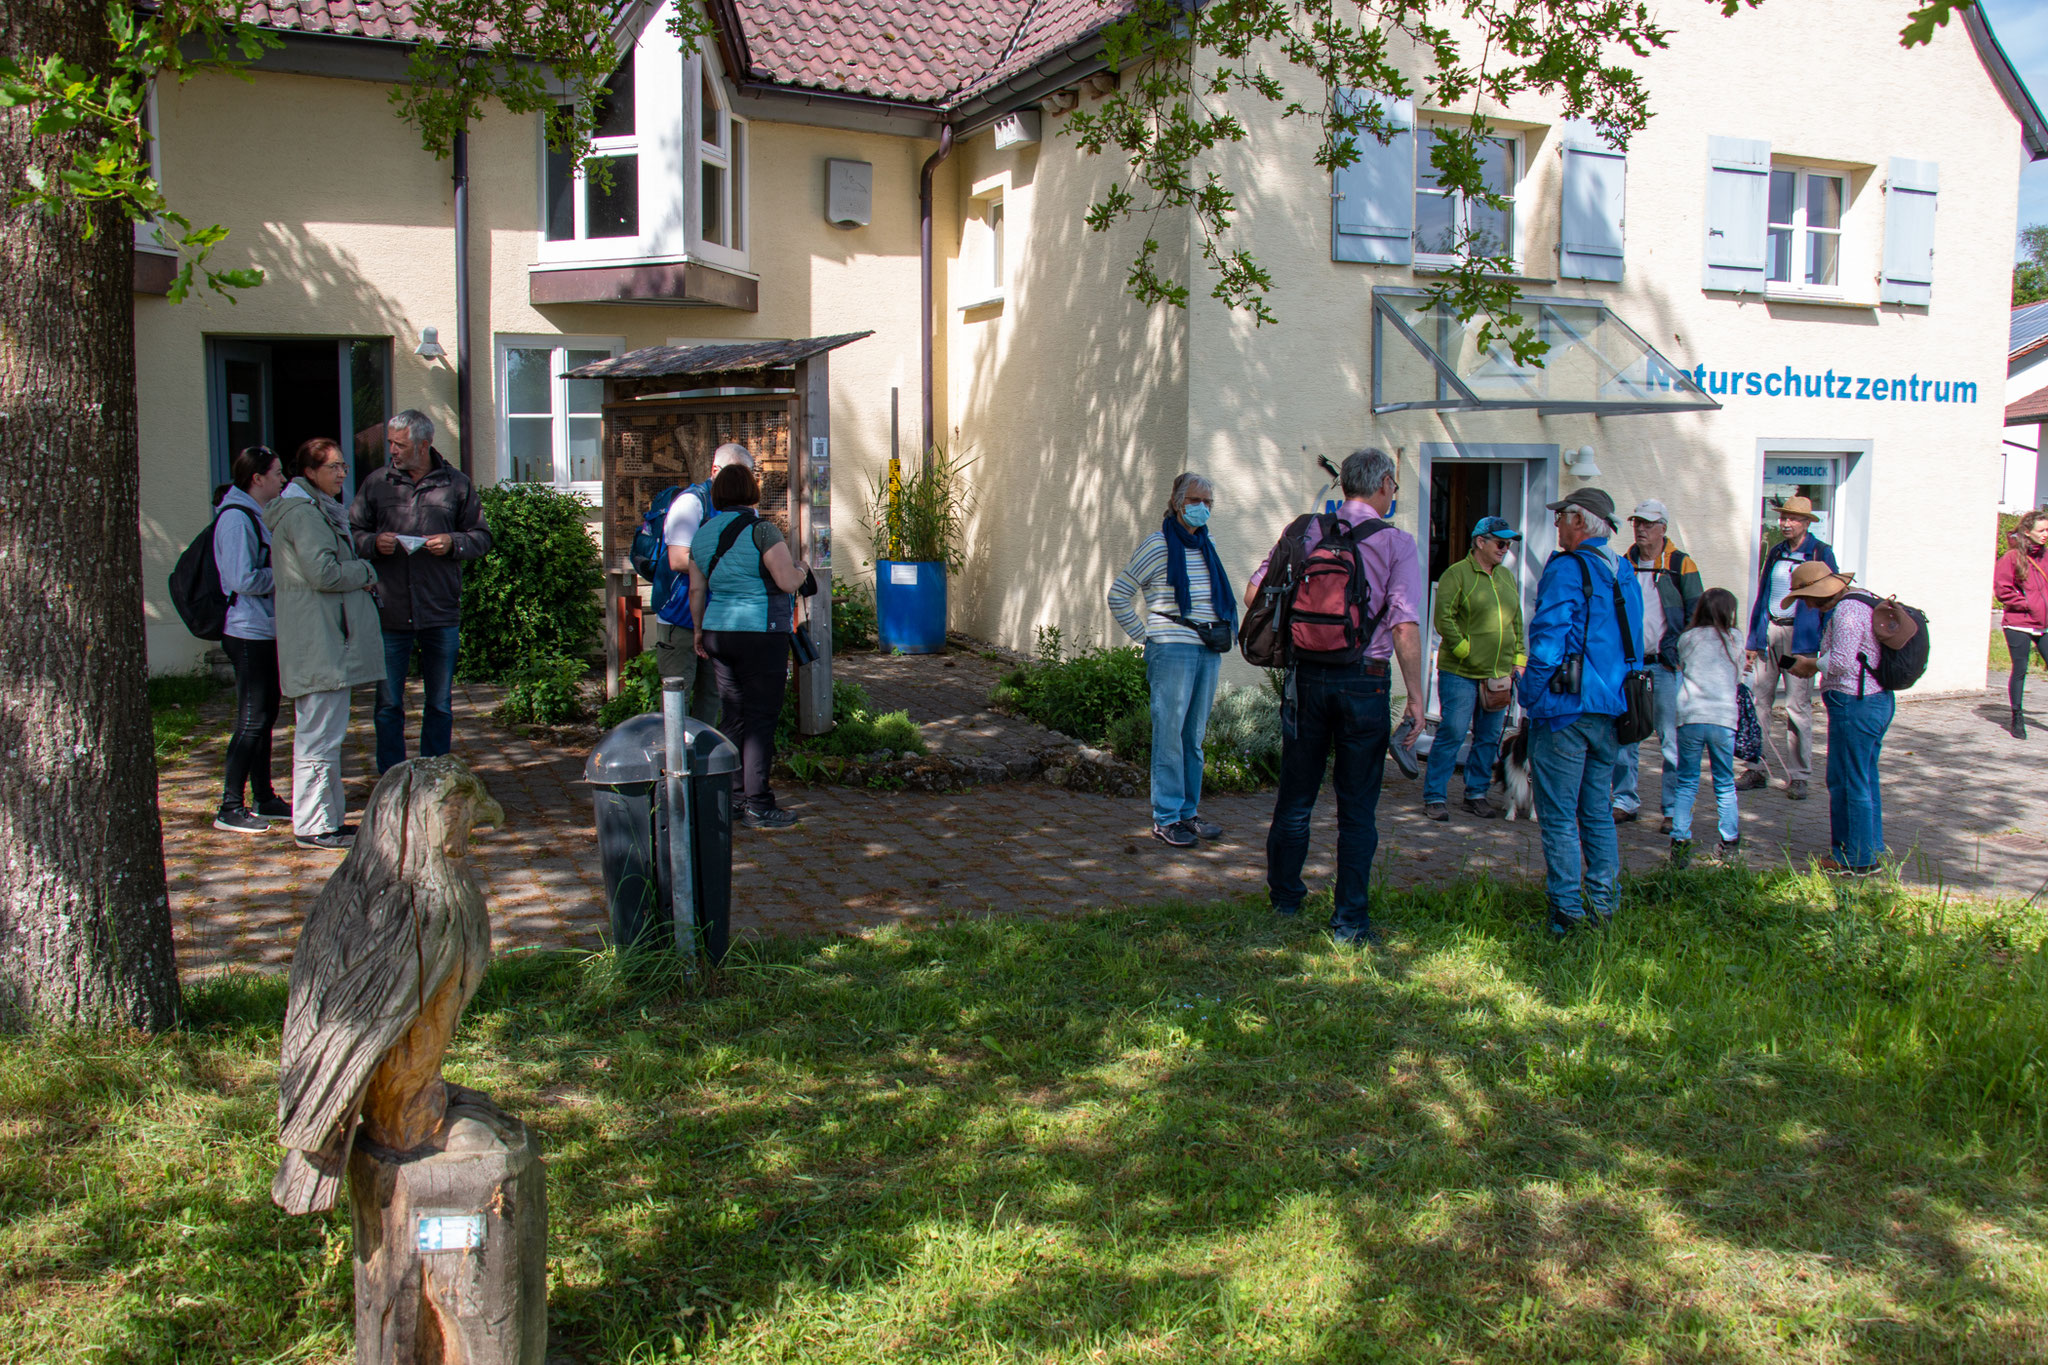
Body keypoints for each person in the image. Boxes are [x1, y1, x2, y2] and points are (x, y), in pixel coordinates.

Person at [1247, 447, 1423, 947]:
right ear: (1385, 484)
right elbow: (1404, 624)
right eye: (1394, 485)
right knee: (1357, 807)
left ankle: (1284, 899)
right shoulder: (1396, 542)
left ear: (1344, 484)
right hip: (1364, 682)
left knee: (1296, 796)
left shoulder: (1304, 531)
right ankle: (1349, 922)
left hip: (1306, 680)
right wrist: (1415, 696)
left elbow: (1254, 593)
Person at [1518, 488, 1643, 937]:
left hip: (1565, 710)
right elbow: (1634, 642)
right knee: (1595, 811)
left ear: (1579, 521)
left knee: (1557, 815)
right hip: (1611, 709)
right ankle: (1604, 906)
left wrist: (1528, 694)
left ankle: (1566, 912)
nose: (1555, 526)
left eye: (1560, 518)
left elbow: (1549, 639)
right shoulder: (1622, 569)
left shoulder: (1569, 567)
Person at [349, 409, 492, 775]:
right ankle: (390, 778)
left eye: (400, 444)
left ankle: (434, 776)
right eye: (390, 444)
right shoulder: (377, 483)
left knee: (440, 703)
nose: (392, 451)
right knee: (387, 704)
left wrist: (453, 543)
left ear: (424, 445)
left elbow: (482, 537)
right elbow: (351, 533)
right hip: (389, 608)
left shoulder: (456, 484)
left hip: (440, 609)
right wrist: (371, 543)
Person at [1107, 472, 1235, 848]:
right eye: (1197, 501)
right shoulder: (1158, 544)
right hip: (1172, 650)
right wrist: (1146, 637)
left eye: (1209, 502)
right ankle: (1165, 818)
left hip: (1207, 649)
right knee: (1169, 738)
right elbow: (1119, 594)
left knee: (1193, 738)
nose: (1203, 508)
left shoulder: (1206, 545)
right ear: (1178, 502)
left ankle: (1188, 813)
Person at [268, 438, 384, 851]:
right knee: (318, 736)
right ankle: (315, 824)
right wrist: (367, 568)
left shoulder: (315, 510)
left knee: (327, 734)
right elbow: (324, 574)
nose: (341, 474)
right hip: (319, 642)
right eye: (333, 467)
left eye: (343, 466)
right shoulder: (304, 514)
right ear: (310, 473)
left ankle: (328, 820)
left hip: (324, 639)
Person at [687, 463, 812, 830]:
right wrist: (804, 570)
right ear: (752, 493)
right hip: (760, 631)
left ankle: (735, 797)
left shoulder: (704, 534)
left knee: (734, 716)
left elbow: (697, 589)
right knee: (760, 719)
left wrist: (698, 631)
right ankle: (759, 804)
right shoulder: (763, 530)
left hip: (717, 631)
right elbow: (787, 581)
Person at [1777, 561, 1891, 873]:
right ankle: (1870, 845)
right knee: (1864, 776)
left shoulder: (1846, 612)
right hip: (1874, 699)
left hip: (1855, 703)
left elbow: (1841, 662)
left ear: (1815, 595)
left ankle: (1856, 858)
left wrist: (1809, 665)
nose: (1806, 606)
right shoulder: (1862, 598)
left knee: (1846, 779)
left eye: (1804, 599)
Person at [1423, 515, 1525, 821]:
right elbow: (1444, 618)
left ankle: (1476, 793)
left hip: (1498, 674)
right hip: (1460, 672)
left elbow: (1516, 620)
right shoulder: (1457, 574)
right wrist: (1464, 648)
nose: (1505, 548)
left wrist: (1519, 658)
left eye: (1508, 544)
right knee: (1453, 732)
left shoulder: (1505, 577)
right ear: (1480, 542)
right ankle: (1435, 796)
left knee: (1489, 736)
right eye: (1500, 542)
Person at [212, 446, 292, 834]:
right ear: (257, 478)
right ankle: (229, 806)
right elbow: (241, 579)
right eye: (277, 473)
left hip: (265, 628)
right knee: (251, 719)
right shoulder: (235, 518)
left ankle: (264, 797)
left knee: (266, 716)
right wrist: (287, 576)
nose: (283, 478)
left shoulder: (257, 513)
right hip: (247, 632)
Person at [1614, 499, 1702, 831]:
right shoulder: (1624, 563)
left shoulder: (1681, 564)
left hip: (1666, 666)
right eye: (1637, 523)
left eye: (1648, 524)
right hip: (1630, 665)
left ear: (1663, 527)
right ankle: (1624, 801)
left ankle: (1672, 809)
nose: (1640, 529)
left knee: (1672, 742)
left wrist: (1680, 658)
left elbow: (1697, 615)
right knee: (1626, 737)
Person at [1741, 494, 1837, 799]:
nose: (1785, 523)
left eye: (1792, 518)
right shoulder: (1776, 551)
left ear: (1807, 523)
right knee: (1759, 703)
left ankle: (1799, 775)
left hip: (1801, 639)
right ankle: (1754, 767)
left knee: (1797, 708)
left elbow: (1831, 597)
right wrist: (1754, 639)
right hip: (1771, 629)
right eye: (1783, 518)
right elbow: (1763, 594)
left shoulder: (1820, 553)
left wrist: (1822, 641)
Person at [652, 442, 755, 723]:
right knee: (677, 697)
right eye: (736, 474)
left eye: (747, 475)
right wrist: (729, 567)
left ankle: (704, 761)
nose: (742, 483)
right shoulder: (691, 503)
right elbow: (677, 559)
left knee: (712, 698)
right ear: (715, 471)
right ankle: (674, 763)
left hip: (719, 620)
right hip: (681, 618)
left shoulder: (744, 511)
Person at [1668, 587, 1745, 865]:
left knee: (1686, 782)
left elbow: (1684, 666)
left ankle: (1679, 840)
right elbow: (1738, 674)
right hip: (1723, 719)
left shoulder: (1688, 638)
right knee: (1724, 783)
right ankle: (1729, 841)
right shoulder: (1734, 638)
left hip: (1690, 716)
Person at [1993, 508, 2048, 738]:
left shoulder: (2045, 556)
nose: (2046, 534)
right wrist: (2028, 604)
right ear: (2028, 531)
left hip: (2043, 623)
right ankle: (2017, 717)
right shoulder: (2012, 557)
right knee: (2020, 669)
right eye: (2041, 530)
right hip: (2019, 623)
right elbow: (2002, 590)